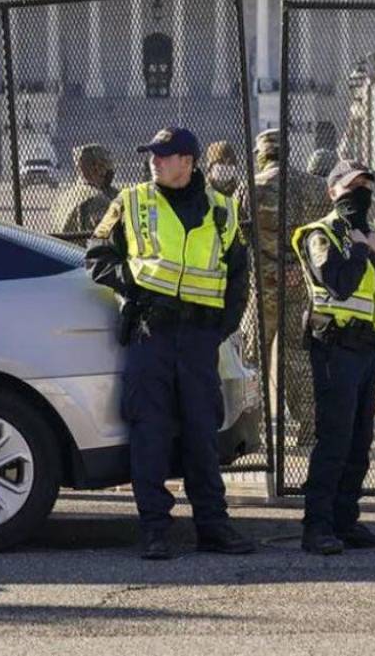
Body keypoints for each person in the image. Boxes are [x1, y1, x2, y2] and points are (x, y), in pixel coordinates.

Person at [86, 126, 254, 560]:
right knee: (150, 434)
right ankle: (155, 529)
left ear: (188, 162)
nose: (154, 161)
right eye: (153, 155)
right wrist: (135, 286)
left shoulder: (223, 210)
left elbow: (239, 276)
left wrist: (219, 329)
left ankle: (213, 526)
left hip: (199, 340)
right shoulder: (131, 202)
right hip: (152, 335)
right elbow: (97, 256)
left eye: (164, 155)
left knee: (202, 433)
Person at [291, 159, 375, 555]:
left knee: (359, 444)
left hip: (367, 354)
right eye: (352, 186)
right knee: (335, 441)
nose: (361, 193)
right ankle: (317, 526)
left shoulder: (370, 238)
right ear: (332, 191)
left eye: (367, 187)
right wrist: (360, 248)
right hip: (334, 352)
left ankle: (345, 521)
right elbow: (338, 284)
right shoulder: (320, 235)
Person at [243, 128, 332, 445]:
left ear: (262, 154)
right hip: (305, 282)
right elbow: (327, 235)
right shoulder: (316, 187)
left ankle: (255, 427)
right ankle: (308, 427)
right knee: (299, 353)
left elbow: (241, 236)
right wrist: (301, 265)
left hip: (265, 283)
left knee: (254, 357)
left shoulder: (252, 187)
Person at [48, 143, 119, 235]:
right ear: (96, 167)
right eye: (104, 165)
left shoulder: (63, 198)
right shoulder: (97, 200)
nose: (107, 170)